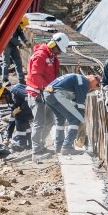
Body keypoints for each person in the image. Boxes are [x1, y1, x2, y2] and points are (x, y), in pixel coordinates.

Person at [25, 31, 70, 160]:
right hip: (37, 94)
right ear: (53, 44)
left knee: (49, 121)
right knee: (39, 122)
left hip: (46, 94)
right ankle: (36, 152)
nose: (60, 53)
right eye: (59, 50)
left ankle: (41, 145)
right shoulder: (40, 55)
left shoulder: (52, 57)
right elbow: (35, 75)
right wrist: (47, 88)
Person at [43, 72, 101, 155]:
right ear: (92, 78)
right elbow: (80, 105)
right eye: (97, 85)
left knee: (60, 119)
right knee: (74, 119)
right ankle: (67, 147)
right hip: (56, 94)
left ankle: (59, 146)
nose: (96, 88)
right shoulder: (83, 82)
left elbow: (74, 103)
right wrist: (81, 121)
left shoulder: (78, 79)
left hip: (48, 94)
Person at [0, 81, 34, 152]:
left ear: (4, 94)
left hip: (36, 105)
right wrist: (8, 137)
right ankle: (30, 141)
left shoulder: (15, 90)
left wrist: (20, 108)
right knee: (18, 116)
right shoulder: (12, 99)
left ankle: (21, 144)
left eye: (1, 100)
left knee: (19, 116)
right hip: (29, 108)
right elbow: (12, 119)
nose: (2, 103)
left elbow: (30, 98)